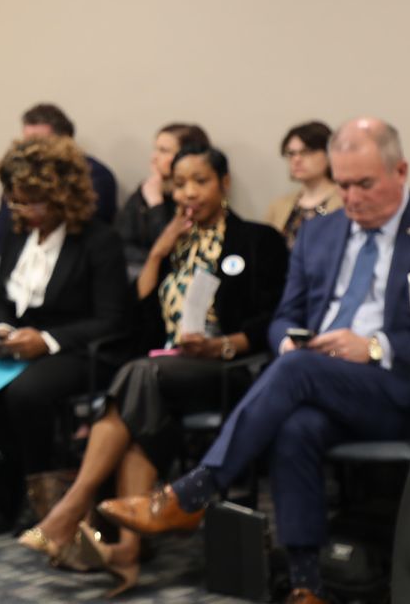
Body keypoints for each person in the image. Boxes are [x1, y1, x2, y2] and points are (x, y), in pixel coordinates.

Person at [97, 118, 410, 604]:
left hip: (393, 386)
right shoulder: (321, 233)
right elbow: (286, 315)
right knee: (295, 427)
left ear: (401, 171)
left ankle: (195, 492)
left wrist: (374, 347)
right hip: (317, 380)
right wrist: (288, 340)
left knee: (295, 372)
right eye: (344, 184)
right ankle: (309, 584)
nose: (351, 198)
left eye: (364, 184)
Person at [20, 144, 288, 596]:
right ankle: (127, 548)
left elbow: (270, 318)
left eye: (199, 181)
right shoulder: (173, 242)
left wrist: (222, 345)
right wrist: (157, 255)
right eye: (179, 183)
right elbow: (137, 322)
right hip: (165, 370)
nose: (187, 193)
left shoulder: (257, 240)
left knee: (138, 377)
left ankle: (74, 506)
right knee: (139, 397)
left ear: (223, 184)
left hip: (229, 367)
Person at [0, 136, 130, 526]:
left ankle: (41, 489)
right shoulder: (19, 235)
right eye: (17, 200)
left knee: (26, 393)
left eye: (34, 201)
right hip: (16, 343)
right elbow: (0, 298)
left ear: (65, 195)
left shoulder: (100, 242)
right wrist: (0, 328)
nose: (24, 210)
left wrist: (45, 341)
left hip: (75, 347)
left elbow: (110, 319)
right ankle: (31, 466)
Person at [0, 103, 118, 252]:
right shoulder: (18, 179)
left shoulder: (96, 176)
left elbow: (84, 236)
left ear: (66, 143)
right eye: (26, 142)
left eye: (38, 143)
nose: (28, 151)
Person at [115, 123, 210, 270]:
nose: (154, 158)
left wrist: (155, 204)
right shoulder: (147, 188)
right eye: (155, 149)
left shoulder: (194, 198)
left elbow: (173, 253)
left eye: (164, 151)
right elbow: (119, 243)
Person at [265, 120, 343, 248]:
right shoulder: (278, 206)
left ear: (329, 154)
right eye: (291, 153)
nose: (296, 159)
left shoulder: (345, 202)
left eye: (306, 152)